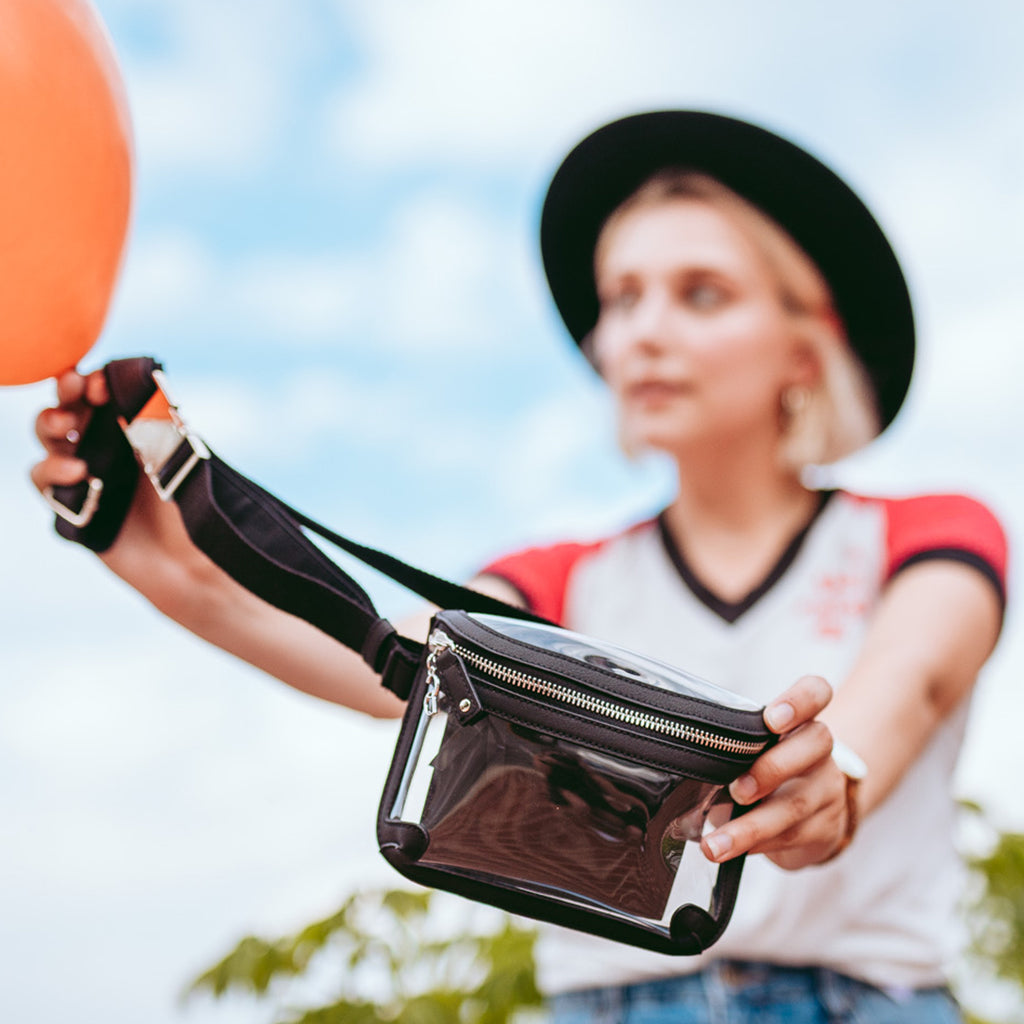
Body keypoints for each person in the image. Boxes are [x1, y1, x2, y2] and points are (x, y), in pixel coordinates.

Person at [31, 111, 1006, 1022]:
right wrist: (139, 535)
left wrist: (838, 784)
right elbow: (373, 657)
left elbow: (909, 687)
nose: (642, 331)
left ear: (808, 343)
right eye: (621, 298)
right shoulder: (562, 577)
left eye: (699, 293)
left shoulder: (927, 529)